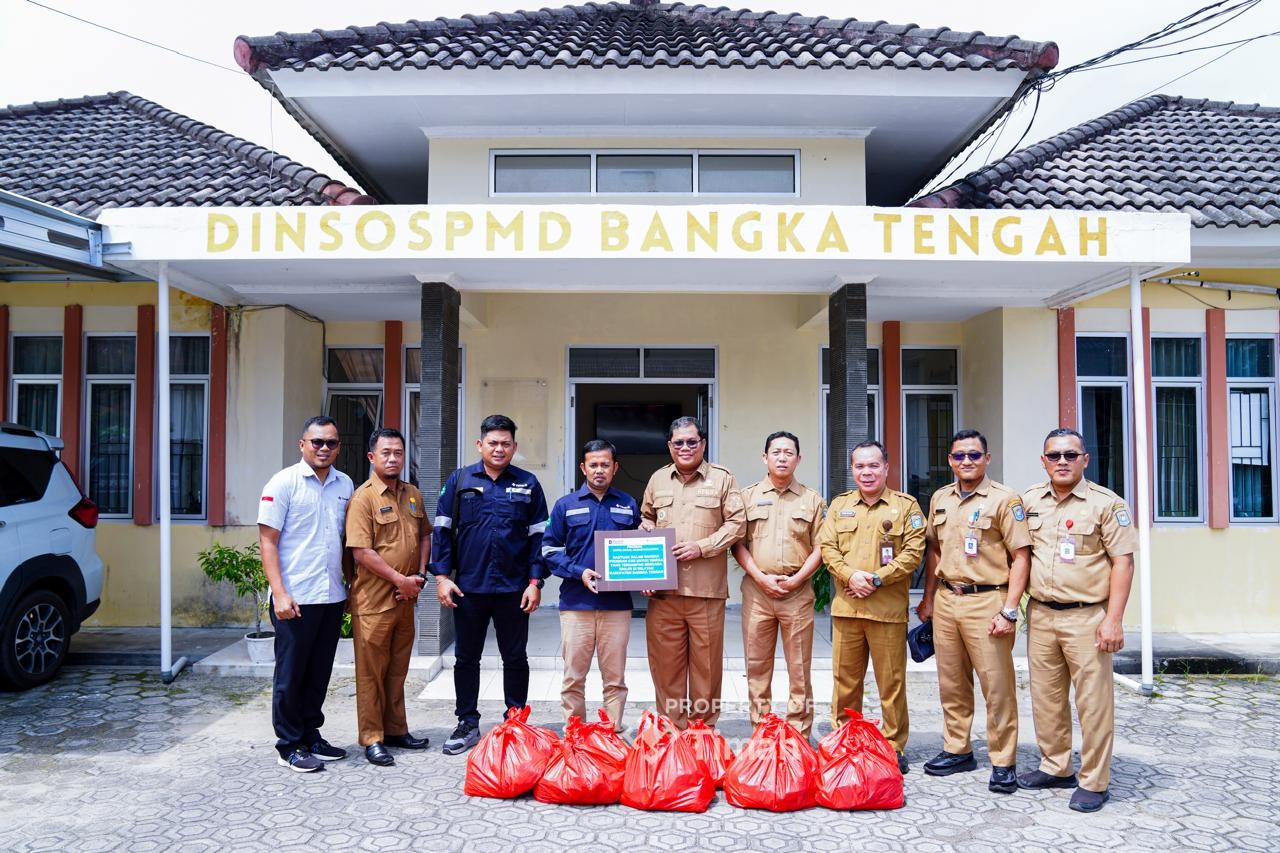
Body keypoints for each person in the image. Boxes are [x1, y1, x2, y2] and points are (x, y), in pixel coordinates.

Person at [1018, 428, 1136, 813]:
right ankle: (1056, 766)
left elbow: (1123, 562)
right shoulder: (1030, 501)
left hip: (1087, 617)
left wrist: (1113, 620)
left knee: (1093, 701)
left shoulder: (1107, 504)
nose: (1062, 462)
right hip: (1041, 613)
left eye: (1071, 455)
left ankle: (1095, 780)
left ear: (1085, 459)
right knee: (1046, 697)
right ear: (1043, 461)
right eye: (1054, 455)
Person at [917, 428, 1031, 794]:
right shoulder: (940, 498)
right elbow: (933, 549)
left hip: (988, 600)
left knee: (996, 686)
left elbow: (1021, 557)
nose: (966, 461)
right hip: (949, 598)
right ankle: (957, 748)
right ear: (950, 460)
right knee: (951, 682)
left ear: (987, 458)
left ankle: (1003, 760)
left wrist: (1010, 609)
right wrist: (929, 598)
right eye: (959, 455)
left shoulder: (1004, 499)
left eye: (974, 455)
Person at [431, 414, 549, 755]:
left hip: (514, 588)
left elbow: (538, 537)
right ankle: (467, 722)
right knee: (466, 658)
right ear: (480, 444)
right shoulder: (460, 480)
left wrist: (535, 581)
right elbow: (441, 530)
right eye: (492, 443)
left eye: (506, 443)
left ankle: (516, 720)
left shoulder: (528, 484)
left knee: (515, 657)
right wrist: (441, 577)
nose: (499, 449)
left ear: (515, 447)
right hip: (469, 587)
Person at [818, 440, 925, 772]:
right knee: (845, 682)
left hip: (886, 611)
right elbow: (827, 547)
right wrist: (851, 576)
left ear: (886, 468)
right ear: (852, 470)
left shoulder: (906, 507)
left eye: (873, 465)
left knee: (891, 683)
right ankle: (844, 741)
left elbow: (912, 553)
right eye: (860, 466)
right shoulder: (839, 506)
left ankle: (893, 745)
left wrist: (876, 578)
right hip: (847, 610)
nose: (867, 472)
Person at [257, 415, 355, 772]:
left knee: (318, 672)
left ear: (338, 447)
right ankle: (289, 744)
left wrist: (350, 585)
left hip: (330, 596)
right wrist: (279, 594)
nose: (324, 448)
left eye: (331, 442)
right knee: (291, 674)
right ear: (303, 445)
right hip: (295, 598)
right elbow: (267, 542)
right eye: (317, 442)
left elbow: (347, 542)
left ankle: (312, 734)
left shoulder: (345, 484)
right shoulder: (283, 483)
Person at [639, 416, 745, 729]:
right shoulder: (657, 480)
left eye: (691, 441)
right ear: (669, 446)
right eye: (678, 443)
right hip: (664, 594)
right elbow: (646, 518)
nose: (685, 448)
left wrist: (703, 547)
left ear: (703, 443)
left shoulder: (723, 479)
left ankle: (703, 734)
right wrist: (645, 532)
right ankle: (672, 733)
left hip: (705, 593)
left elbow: (737, 524)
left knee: (706, 670)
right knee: (666, 669)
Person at [344, 427, 432, 767]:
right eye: (386, 453)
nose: (393, 458)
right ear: (372, 457)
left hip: (406, 599)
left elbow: (425, 536)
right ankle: (372, 737)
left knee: (397, 669)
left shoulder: (412, 494)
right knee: (371, 674)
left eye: (398, 452)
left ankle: (396, 729)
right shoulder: (363, 498)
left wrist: (419, 577)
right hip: (374, 601)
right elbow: (361, 551)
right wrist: (400, 578)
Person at [731, 431, 825, 739]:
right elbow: (738, 544)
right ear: (765, 457)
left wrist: (798, 579)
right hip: (758, 592)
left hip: (797, 593)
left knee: (799, 669)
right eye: (776, 452)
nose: (782, 457)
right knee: (757, 668)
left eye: (789, 453)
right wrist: (760, 577)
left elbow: (821, 548)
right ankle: (762, 732)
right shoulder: (748, 496)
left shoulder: (812, 500)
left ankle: (798, 733)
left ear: (799, 459)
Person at [541, 439, 639, 731]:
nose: (599, 470)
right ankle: (576, 734)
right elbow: (549, 551)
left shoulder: (628, 504)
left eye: (605, 465)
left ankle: (612, 734)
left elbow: (641, 550)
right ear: (583, 468)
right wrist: (578, 571)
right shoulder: (565, 506)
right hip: (576, 604)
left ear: (615, 468)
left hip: (616, 606)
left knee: (615, 679)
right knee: (573, 678)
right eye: (593, 465)